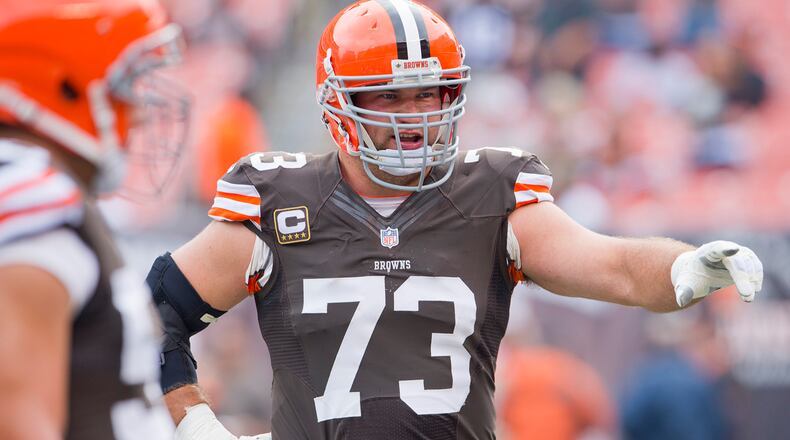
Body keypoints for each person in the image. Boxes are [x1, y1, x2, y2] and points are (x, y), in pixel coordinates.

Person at [147, 1, 764, 439]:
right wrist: (195, 420)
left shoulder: (491, 196)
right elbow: (154, 313)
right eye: (388, 95)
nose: (413, 115)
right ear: (339, 104)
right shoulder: (278, 200)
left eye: (429, 94)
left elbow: (615, 268)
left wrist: (685, 266)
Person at [0, 1, 189, 438]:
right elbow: (17, 423)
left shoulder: (48, 191)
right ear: (60, 85)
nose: (139, 111)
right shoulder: (29, 199)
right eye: (125, 87)